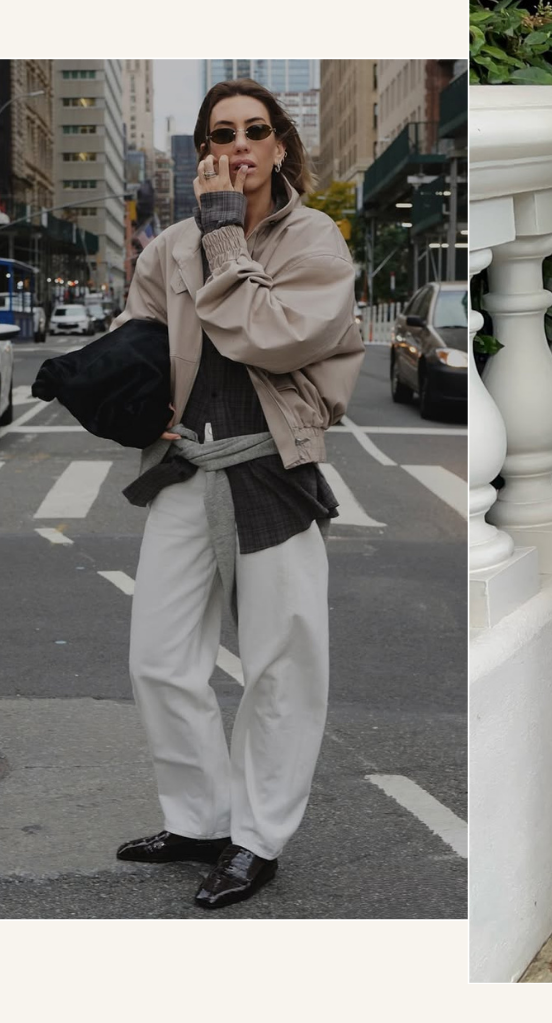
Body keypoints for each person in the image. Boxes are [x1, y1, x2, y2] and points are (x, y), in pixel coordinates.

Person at [110, 78, 363, 908]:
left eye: (256, 131)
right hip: (185, 466)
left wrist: (225, 240)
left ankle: (258, 840)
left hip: (271, 472)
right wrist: (116, 389)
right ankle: (199, 820)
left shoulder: (314, 240)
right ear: (205, 151)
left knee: (282, 669)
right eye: (223, 133)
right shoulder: (167, 247)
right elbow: (139, 340)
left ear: (281, 146)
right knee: (159, 659)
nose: (240, 144)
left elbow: (274, 337)